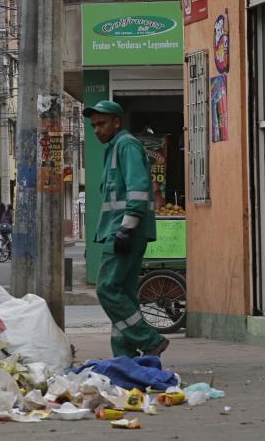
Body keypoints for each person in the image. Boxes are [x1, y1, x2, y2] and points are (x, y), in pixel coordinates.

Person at [84, 100, 168, 358]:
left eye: (102, 124)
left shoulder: (126, 144)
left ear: (117, 122)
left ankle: (149, 339)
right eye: (94, 125)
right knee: (125, 296)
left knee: (106, 287)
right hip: (126, 229)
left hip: (124, 230)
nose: (96, 130)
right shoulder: (116, 148)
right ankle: (125, 357)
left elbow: (139, 188)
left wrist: (127, 227)